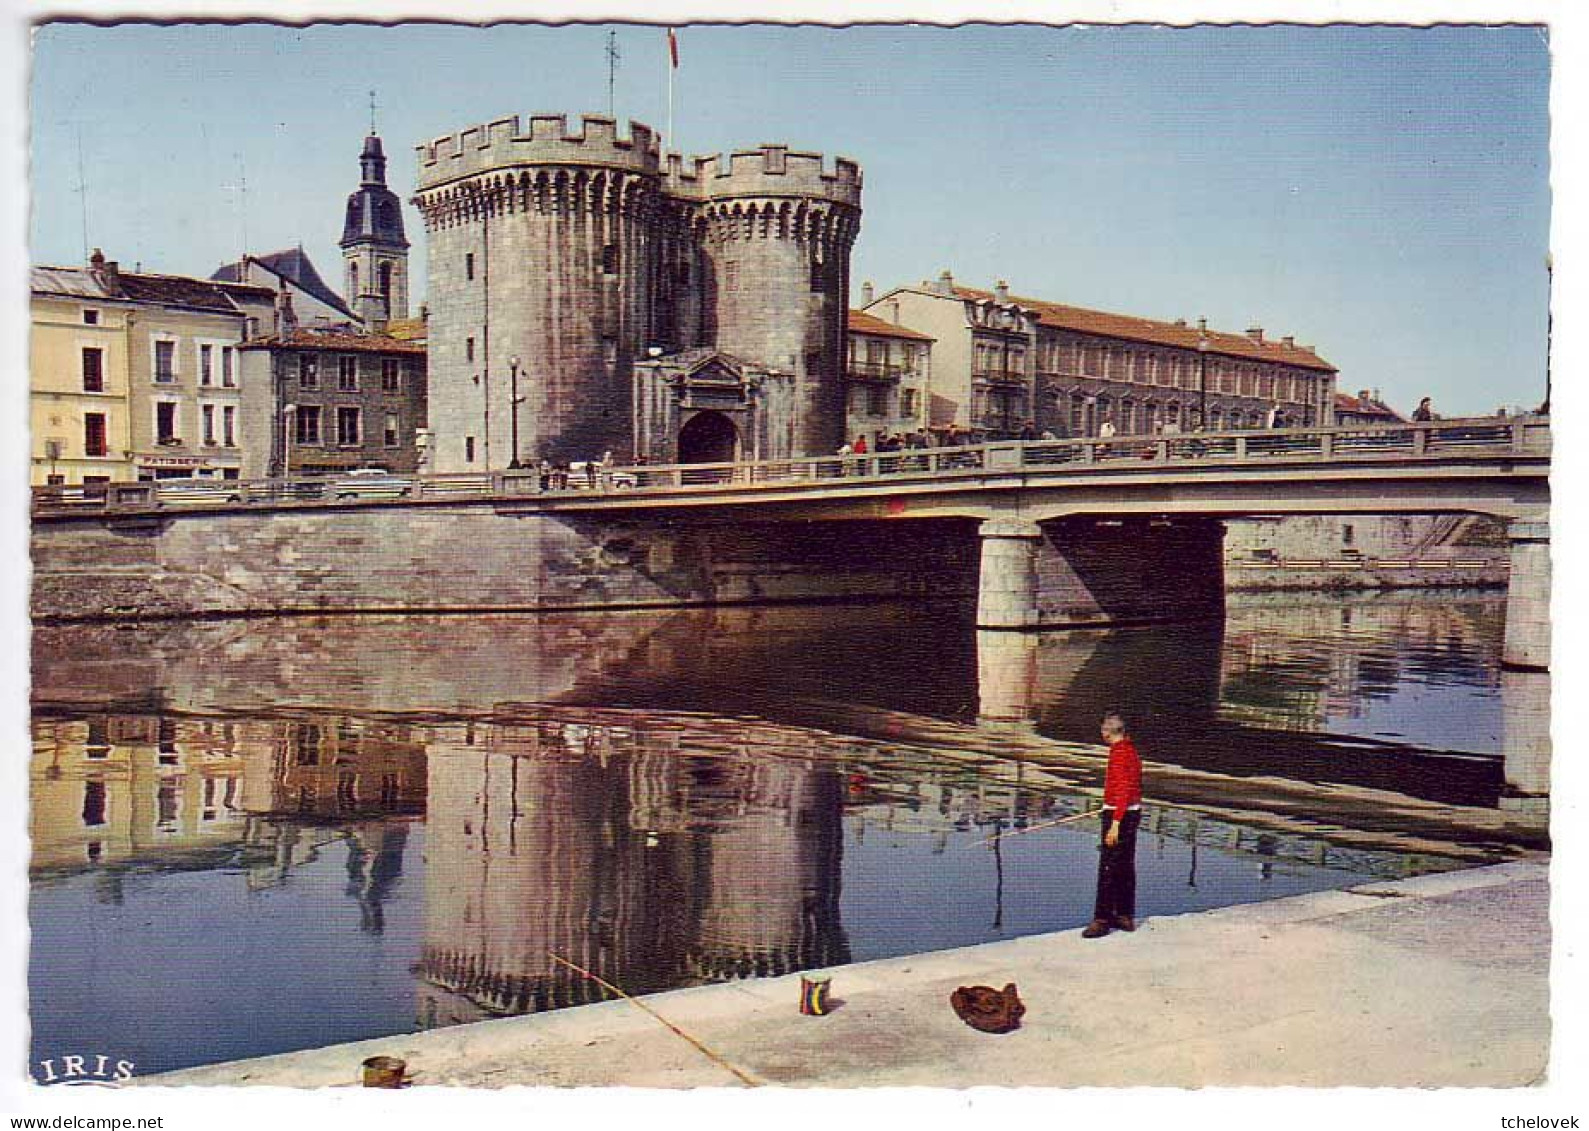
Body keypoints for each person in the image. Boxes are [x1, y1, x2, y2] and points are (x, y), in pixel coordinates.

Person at [1082, 712, 1143, 939]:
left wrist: (1115, 822)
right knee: (1125, 865)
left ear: (1107, 732)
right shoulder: (1131, 751)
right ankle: (1125, 915)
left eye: (1103, 729)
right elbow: (1132, 789)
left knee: (1108, 867)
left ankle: (1102, 919)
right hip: (1130, 811)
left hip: (1120, 815)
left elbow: (1124, 788)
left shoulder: (1119, 754)